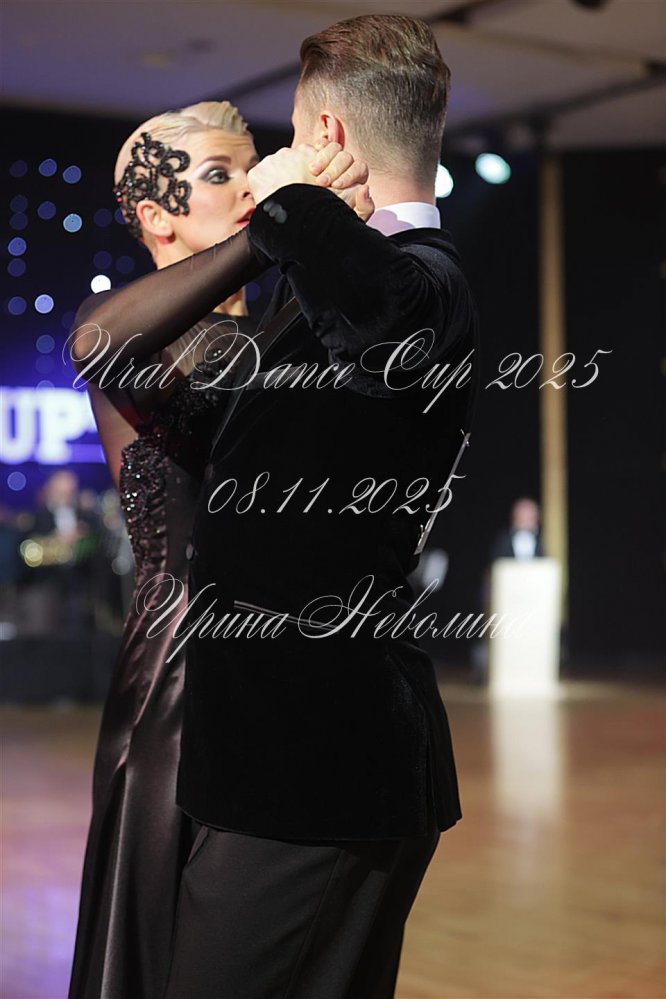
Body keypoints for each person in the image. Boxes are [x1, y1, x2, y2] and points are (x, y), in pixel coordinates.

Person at [164, 15, 481, 998]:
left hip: (323, 769)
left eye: (297, 136)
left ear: (329, 137)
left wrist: (295, 202)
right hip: (282, 765)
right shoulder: (325, 288)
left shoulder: (427, 283)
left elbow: (384, 315)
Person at [67, 99, 369, 999]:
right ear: (155, 216)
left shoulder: (281, 320)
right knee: (178, 933)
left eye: (252, 167)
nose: (248, 187)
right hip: (186, 671)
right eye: (218, 174)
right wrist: (282, 225)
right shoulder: (125, 326)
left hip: (296, 658)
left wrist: (337, 233)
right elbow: (100, 343)